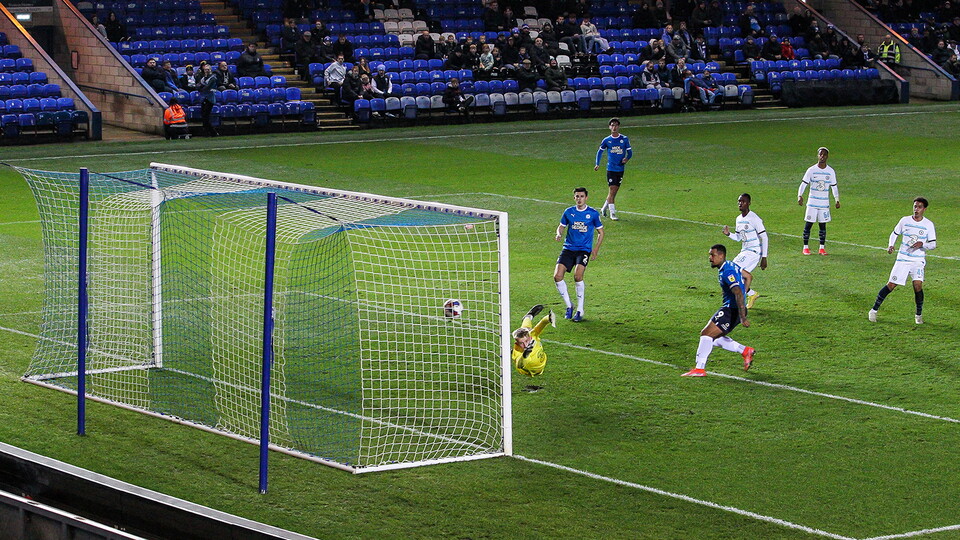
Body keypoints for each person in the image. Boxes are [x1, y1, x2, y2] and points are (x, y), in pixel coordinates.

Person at [681, 244, 755, 376]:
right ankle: (745, 351)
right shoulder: (730, 265)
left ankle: (699, 369)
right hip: (732, 308)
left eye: (712, 255)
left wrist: (742, 316)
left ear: (721, 255)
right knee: (713, 338)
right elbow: (748, 276)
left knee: (706, 334)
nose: (710, 258)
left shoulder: (727, 272)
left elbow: (737, 292)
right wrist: (745, 291)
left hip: (732, 310)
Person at [868, 197, 937, 325]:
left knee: (917, 285)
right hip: (903, 258)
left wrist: (923, 244)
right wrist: (891, 245)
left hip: (918, 260)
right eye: (915, 206)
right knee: (891, 285)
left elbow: (933, 244)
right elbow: (894, 233)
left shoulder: (928, 225)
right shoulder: (904, 220)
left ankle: (918, 315)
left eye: (919, 207)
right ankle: (873, 310)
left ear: (924, 209)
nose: (916, 209)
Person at [554, 187, 605, 322]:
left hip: (583, 249)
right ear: (574, 198)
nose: (579, 199)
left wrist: (595, 249)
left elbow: (601, 232)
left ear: (586, 198)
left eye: (581, 196)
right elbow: (561, 226)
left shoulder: (592, 214)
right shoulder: (569, 212)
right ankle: (569, 306)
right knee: (557, 276)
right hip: (568, 248)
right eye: (577, 196)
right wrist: (559, 233)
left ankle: (580, 310)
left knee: (578, 276)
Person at [722, 193, 767, 309]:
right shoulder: (738, 219)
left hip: (753, 252)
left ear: (749, 203)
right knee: (735, 275)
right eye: (739, 201)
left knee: (731, 270)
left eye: (743, 201)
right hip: (744, 251)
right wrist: (728, 234)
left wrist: (764, 257)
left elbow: (764, 237)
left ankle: (737, 303)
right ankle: (752, 294)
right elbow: (738, 238)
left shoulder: (754, 218)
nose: (740, 204)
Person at [798, 147, 839, 255]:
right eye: (820, 154)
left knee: (822, 226)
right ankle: (805, 247)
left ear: (827, 157)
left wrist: (837, 199)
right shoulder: (811, 170)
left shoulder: (830, 171)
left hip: (824, 203)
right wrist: (799, 195)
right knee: (809, 224)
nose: (822, 156)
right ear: (818, 155)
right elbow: (803, 184)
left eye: (824, 155)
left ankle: (822, 248)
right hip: (812, 202)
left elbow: (834, 187)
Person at [594, 118, 632, 221]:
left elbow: (630, 152)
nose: (614, 127)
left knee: (614, 192)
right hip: (611, 169)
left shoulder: (624, 139)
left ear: (618, 126)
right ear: (609, 127)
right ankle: (613, 213)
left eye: (616, 125)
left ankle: (603, 208)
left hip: (620, 168)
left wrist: (627, 159)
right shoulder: (607, 140)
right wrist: (597, 164)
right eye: (612, 125)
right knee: (612, 190)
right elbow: (600, 152)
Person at [512, 304, 556, 377]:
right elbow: (519, 365)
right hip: (530, 370)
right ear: (517, 343)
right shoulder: (518, 351)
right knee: (525, 329)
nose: (525, 345)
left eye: (526, 341)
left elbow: (542, 324)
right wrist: (524, 355)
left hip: (539, 361)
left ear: (529, 337)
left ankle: (529, 316)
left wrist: (549, 318)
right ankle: (527, 318)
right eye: (521, 343)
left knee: (526, 327)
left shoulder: (532, 335)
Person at [197, 63, 218, 137]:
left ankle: (212, 132)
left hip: (210, 98)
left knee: (206, 116)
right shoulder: (203, 78)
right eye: (206, 69)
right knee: (204, 116)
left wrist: (202, 87)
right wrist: (202, 87)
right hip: (204, 98)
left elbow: (207, 87)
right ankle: (207, 132)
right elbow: (198, 86)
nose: (207, 71)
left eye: (208, 69)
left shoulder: (213, 78)